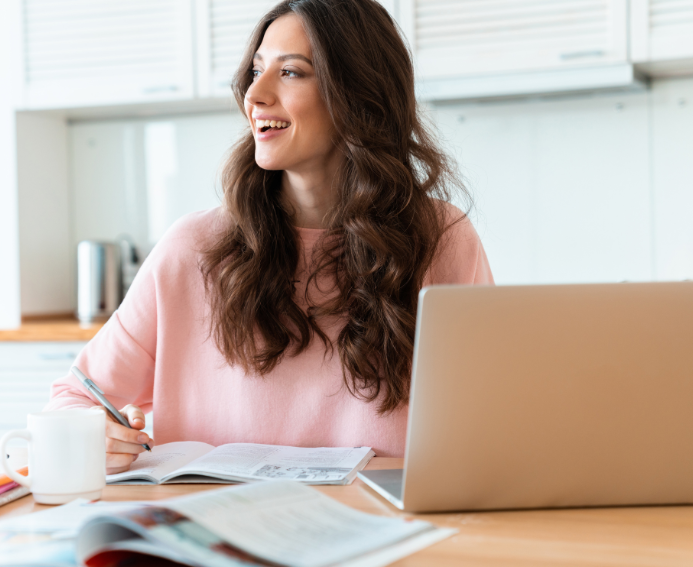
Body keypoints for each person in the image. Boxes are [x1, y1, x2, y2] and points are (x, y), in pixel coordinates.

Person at [44, 0, 494, 474]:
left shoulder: (441, 240)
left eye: (292, 72)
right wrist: (94, 435)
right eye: (256, 70)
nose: (254, 94)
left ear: (359, 94)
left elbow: (494, 420)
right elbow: (72, 398)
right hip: (216, 538)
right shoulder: (192, 249)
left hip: (385, 535)